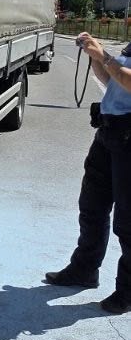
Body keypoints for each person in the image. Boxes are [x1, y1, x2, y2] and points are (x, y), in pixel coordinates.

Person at [45, 32, 131, 313]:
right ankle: (84, 269)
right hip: (109, 133)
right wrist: (96, 57)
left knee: (128, 221)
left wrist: (104, 56)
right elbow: (112, 82)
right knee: (92, 206)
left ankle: (128, 292)